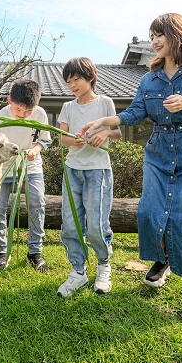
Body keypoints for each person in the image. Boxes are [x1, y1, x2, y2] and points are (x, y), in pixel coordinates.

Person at [80, 13, 182, 324]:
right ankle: (163, 259)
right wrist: (105, 122)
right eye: (151, 37)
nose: (154, 42)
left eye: (158, 35)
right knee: (149, 212)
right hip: (159, 153)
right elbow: (136, 112)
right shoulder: (150, 79)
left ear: (176, 35)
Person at [56, 57, 122, 297]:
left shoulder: (105, 102)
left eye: (77, 79)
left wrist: (104, 132)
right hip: (72, 169)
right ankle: (78, 272)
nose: (72, 85)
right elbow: (60, 138)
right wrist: (74, 140)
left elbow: (117, 132)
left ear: (90, 78)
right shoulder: (67, 107)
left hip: (98, 170)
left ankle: (104, 265)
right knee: (71, 223)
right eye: (69, 81)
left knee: (96, 224)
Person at [0, 79, 52, 273]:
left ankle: (35, 252)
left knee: (37, 203)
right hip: (4, 167)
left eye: (28, 112)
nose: (23, 115)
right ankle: (1, 251)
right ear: (10, 101)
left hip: (31, 166)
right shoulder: (1, 116)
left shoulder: (40, 114)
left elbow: (45, 140)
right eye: (18, 110)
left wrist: (35, 149)